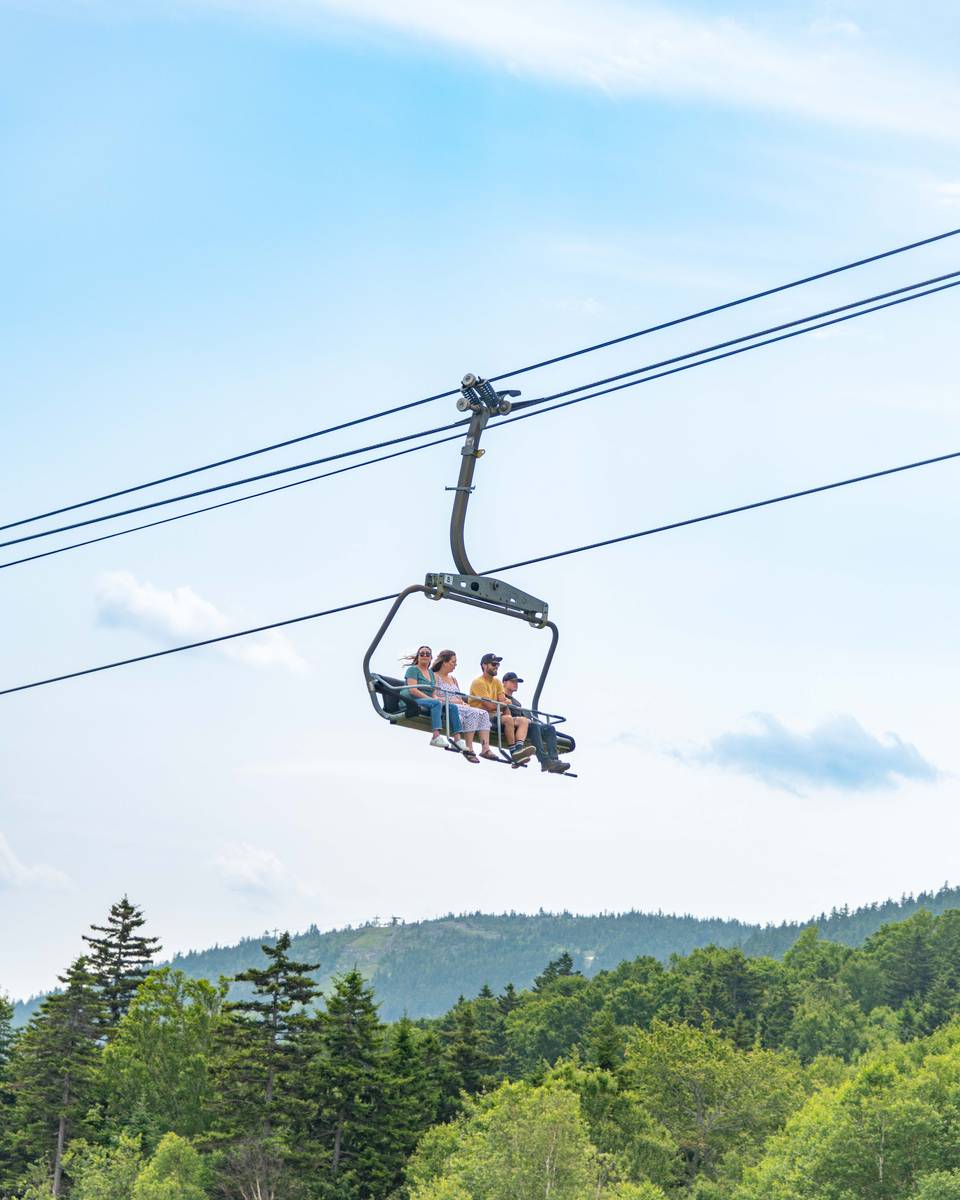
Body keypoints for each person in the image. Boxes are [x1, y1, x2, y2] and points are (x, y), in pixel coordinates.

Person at [469, 653, 535, 765]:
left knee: (523, 720)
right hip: (483, 715)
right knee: (508, 719)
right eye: (493, 664)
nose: (496, 667)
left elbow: (504, 703)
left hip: (496, 715)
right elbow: (489, 706)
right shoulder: (478, 682)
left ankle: (519, 750)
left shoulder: (497, 682)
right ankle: (513, 752)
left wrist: (506, 709)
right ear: (484, 666)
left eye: (498, 664)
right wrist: (504, 704)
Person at [501, 671, 571, 774]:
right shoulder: (501, 697)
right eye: (512, 682)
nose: (516, 684)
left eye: (517, 682)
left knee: (549, 728)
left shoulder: (517, 703)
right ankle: (544, 761)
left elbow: (523, 717)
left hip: (524, 724)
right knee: (534, 726)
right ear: (504, 683)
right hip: (513, 726)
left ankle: (554, 760)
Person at [399, 646, 465, 751]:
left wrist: (437, 698)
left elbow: (433, 692)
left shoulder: (431, 673)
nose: (425, 656)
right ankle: (435, 736)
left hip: (427, 700)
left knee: (452, 707)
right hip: (411, 700)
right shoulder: (412, 670)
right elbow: (413, 690)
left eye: (427, 654)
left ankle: (457, 739)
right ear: (418, 656)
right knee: (436, 703)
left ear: (430, 657)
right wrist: (433, 699)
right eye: (422, 654)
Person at [432, 650, 491, 764]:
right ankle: (469, 748)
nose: (455, 665)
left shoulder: (453, 679)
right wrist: (453, 701)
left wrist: (462, 702)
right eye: (453, 662)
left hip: (459, 706)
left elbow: (459, 697)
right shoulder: (435, 676)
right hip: (447, 706)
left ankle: (485, 749)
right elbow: (434, 696)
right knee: (473, 713)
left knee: (483, 713)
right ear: (444, 662)